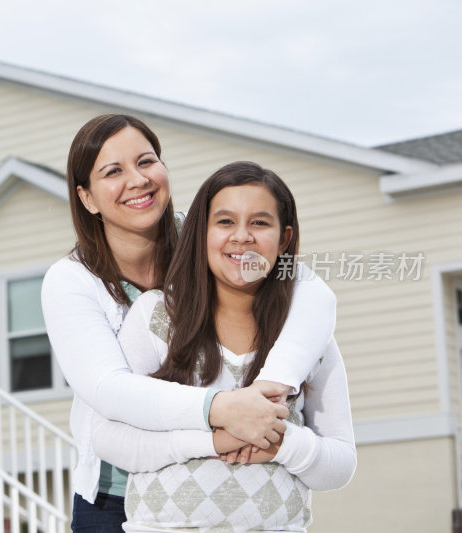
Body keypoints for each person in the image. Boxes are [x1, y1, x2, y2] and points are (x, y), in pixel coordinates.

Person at [41, 115, 337, 532]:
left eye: (147, 161)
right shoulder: (70, 281)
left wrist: (268, 391)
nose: (138, 180)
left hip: (233, 483)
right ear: (86, 198)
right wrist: (221, 412)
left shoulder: (209, 237)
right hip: (117, 494)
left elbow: (310, 290)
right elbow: (109, 389)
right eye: (113, 171)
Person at [91, 161, 356, 532]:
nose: (242, 237)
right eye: (225, 222)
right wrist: (215, 440)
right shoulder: (155, 316)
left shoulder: (307, 336)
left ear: (284, 239)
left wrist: (281, 443)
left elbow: (341, 464)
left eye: (260, 223)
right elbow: (107, 439)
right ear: (201, 233)